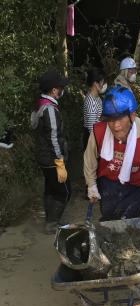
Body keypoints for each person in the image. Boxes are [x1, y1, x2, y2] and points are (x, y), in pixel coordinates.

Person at [84, 86, 140, 221]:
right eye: (111, 120)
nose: (116, 126)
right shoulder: (99, 131)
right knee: (109, 217)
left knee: (128, 220)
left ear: (132, 115)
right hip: (109, 182)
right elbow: (89, 159)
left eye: (120, 119)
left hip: (138, 185)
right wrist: (91, 185)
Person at [31, 69, 71, 234]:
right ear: (54, 90)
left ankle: (50, 222)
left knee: (50, 189)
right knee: (64, 191)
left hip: (42, 157)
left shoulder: (40, 104)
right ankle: (53, 223)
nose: (62, 90)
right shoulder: (50, 110)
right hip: (51, 159)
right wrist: (59, 161)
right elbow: (54, 137)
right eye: (60, 87)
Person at [83, 67, 107, 151]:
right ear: (95, 84)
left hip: (96, 135)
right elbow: (91, 129)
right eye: (102, 82)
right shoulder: (91, 102)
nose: (104, 84)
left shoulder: (96, 97)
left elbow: (98, 117)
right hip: (92, 139)